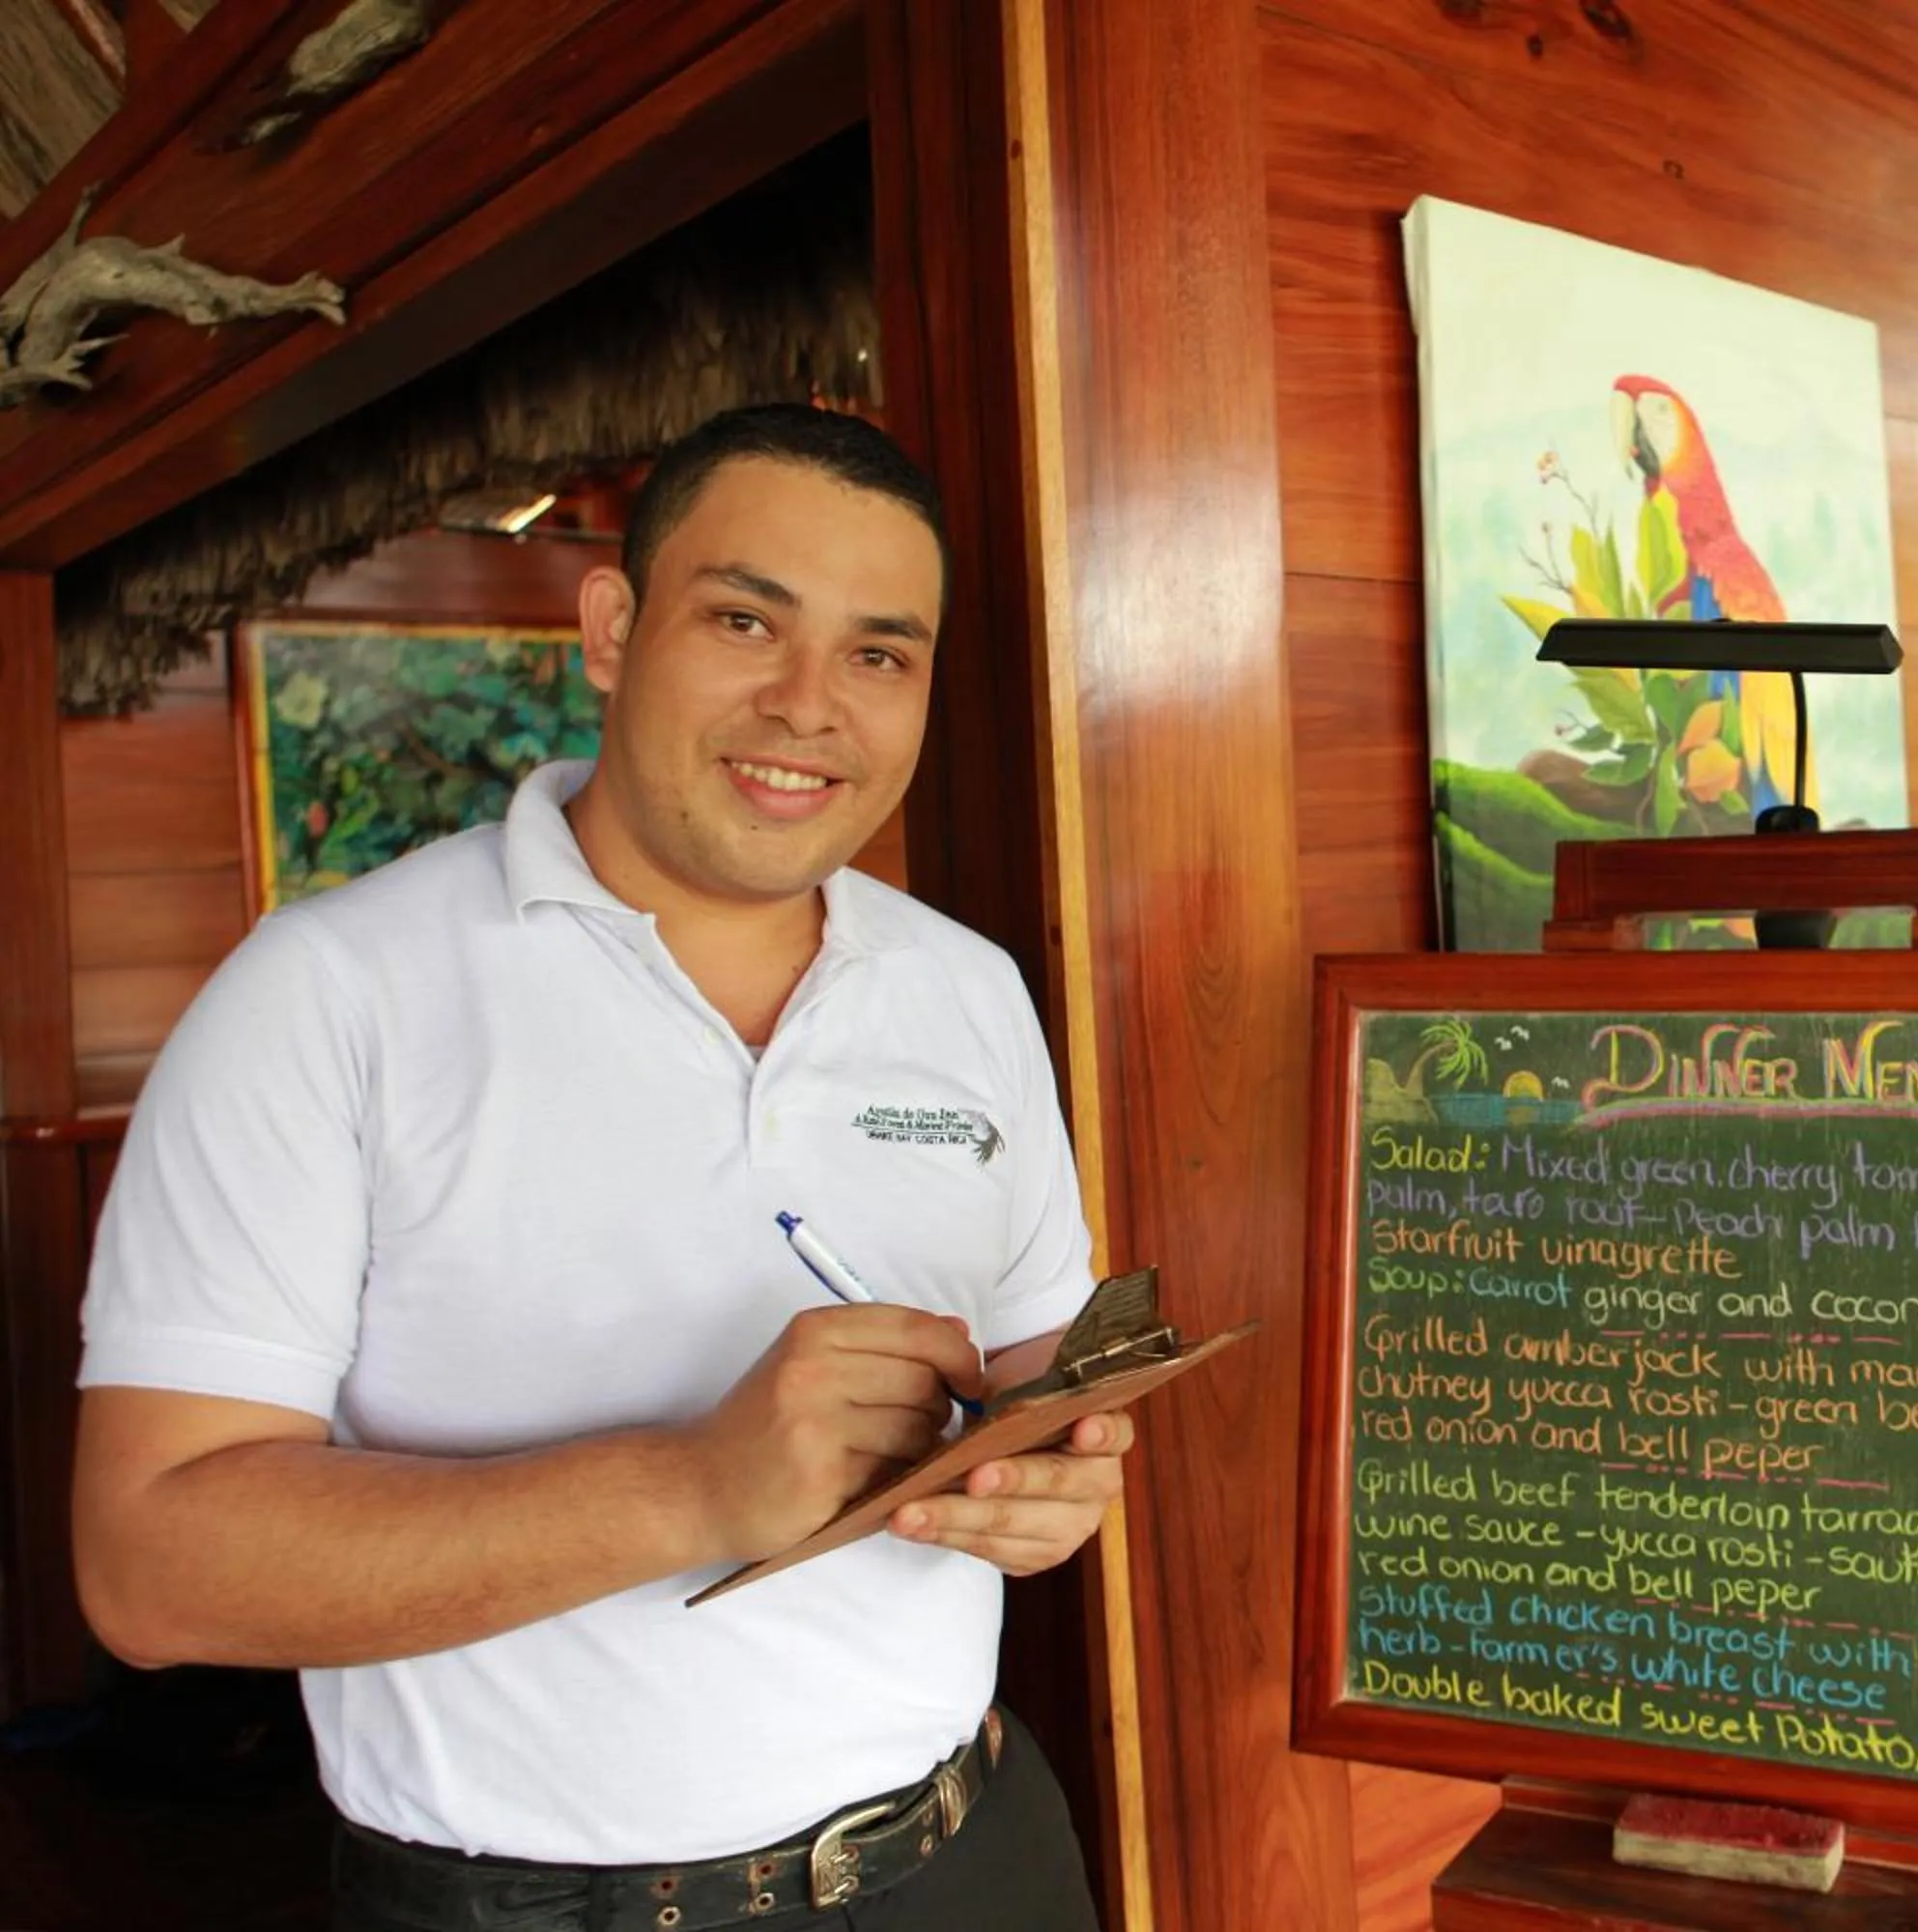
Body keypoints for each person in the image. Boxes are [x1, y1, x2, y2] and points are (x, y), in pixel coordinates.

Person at [70, 404, 1126, 1931]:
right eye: (747, 619)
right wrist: (692, 1484)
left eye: (880, 655)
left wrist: (1051, 1477)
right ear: (616, 627)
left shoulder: (968, 988)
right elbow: (151, 1566)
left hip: (972, 1857)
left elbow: (1039, 1357)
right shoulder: (327, 995)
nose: (809, 705)